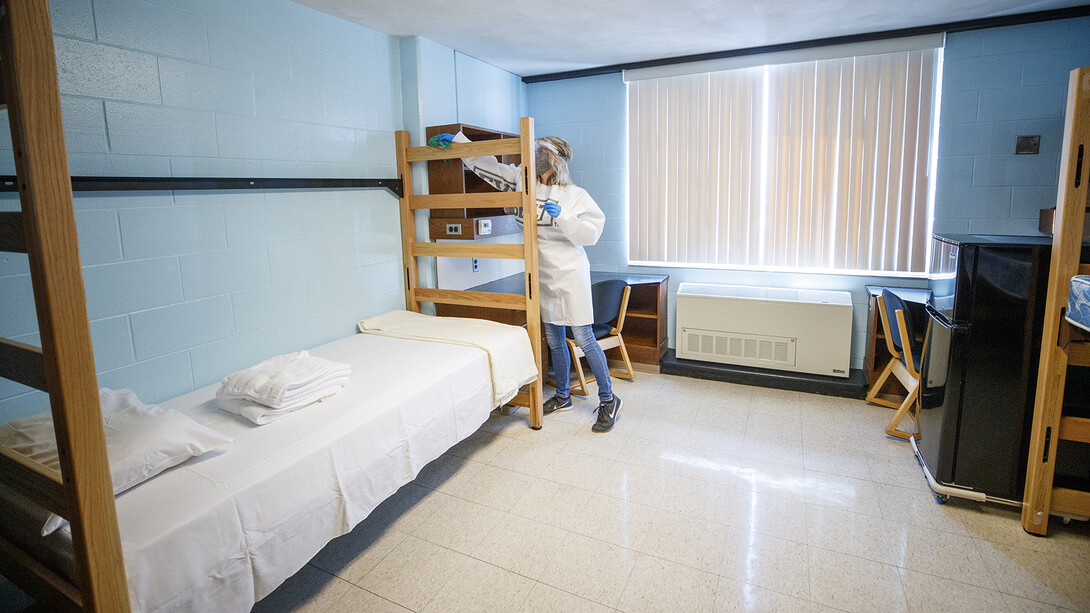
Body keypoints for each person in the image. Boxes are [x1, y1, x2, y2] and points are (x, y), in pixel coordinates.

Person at [432, 131, 621, 433]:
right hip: (542, 274)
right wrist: (458, 144)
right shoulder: (521, 182)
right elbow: (489, 165)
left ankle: (609, 399)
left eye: (542, 159)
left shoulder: (576, 195)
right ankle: (562, 396)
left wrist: (566, 218)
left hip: (570, 274)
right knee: (553, 340)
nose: (536, 164)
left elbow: (591, 234)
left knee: (583, 337)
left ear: (555, 163)